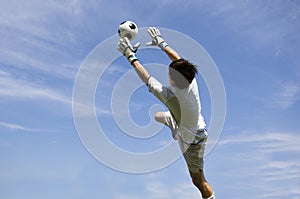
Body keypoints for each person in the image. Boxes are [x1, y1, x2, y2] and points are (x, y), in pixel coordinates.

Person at [117, 27, 216, 199]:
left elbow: (146, 78)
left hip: (192, 139)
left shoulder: (170, 97)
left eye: (169, 72)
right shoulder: (190, 80)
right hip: (188, 122)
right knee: (158, 116)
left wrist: (130, 56)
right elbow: (179, 60)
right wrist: (162, 44)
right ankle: (174, 126)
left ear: (173, 80)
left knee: (198, 181)